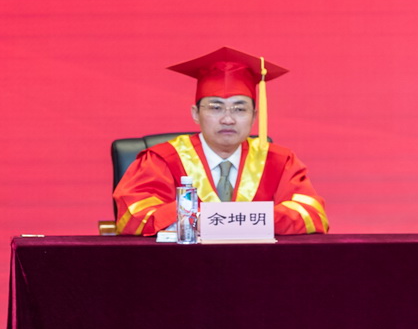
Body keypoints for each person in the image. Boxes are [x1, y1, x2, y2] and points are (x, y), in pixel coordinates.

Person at [112, 46, 329, 235]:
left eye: (239, 109)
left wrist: (239, 220)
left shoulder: (280, 161)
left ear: (254, 116)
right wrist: (204, 219)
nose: (227, 119)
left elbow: (311, 213)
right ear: (195, 113)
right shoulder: (162, 160)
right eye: (216, 108)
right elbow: (133, 214)